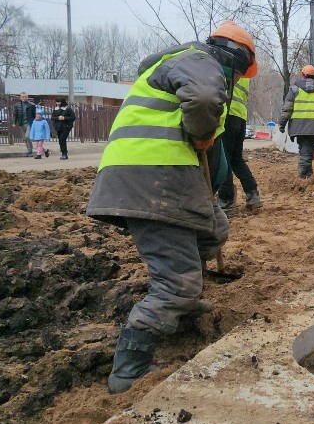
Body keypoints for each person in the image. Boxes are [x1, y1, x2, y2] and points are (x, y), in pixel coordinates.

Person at [86, 20, 258, 394]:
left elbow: (210, 146)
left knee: (215, 225)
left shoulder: (183, 64)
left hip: (151, 176)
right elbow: (203, 102)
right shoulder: (200, 60)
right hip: (155, 176)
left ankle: (183, 299)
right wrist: (201, 133)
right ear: (238, 61)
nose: (241, 81)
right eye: (243, 74)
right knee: (176, 281)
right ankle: (127, 372)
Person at [279, 64, 314, 179]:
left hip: (298, 126)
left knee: (305, 149)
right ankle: (305, 175)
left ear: (302, 75)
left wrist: (282, 123)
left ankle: (304, 175)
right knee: (307, 149)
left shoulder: (294, 90)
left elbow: (287, 108)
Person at [217, 76, 262, 216]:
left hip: (227, 114)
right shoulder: (244, 68)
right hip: (240, 116)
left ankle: (226, 202)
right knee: (236, 159)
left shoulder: (226, 61)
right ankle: (253, 196)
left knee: (223, 159)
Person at [12, 92, 37, 156]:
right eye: (23, 97)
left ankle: (30, 151)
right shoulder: (17, 105)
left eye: (25, 97)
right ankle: (29, 151)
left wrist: (36, 122)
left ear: (28, 97)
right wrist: (14, 122)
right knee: (25, 138)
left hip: (29, 123)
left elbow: (35, 114)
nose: (24, 98)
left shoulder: (32, 105)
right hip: (21, 123)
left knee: (27, 136)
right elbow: (15, 114)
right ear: (20, 98)